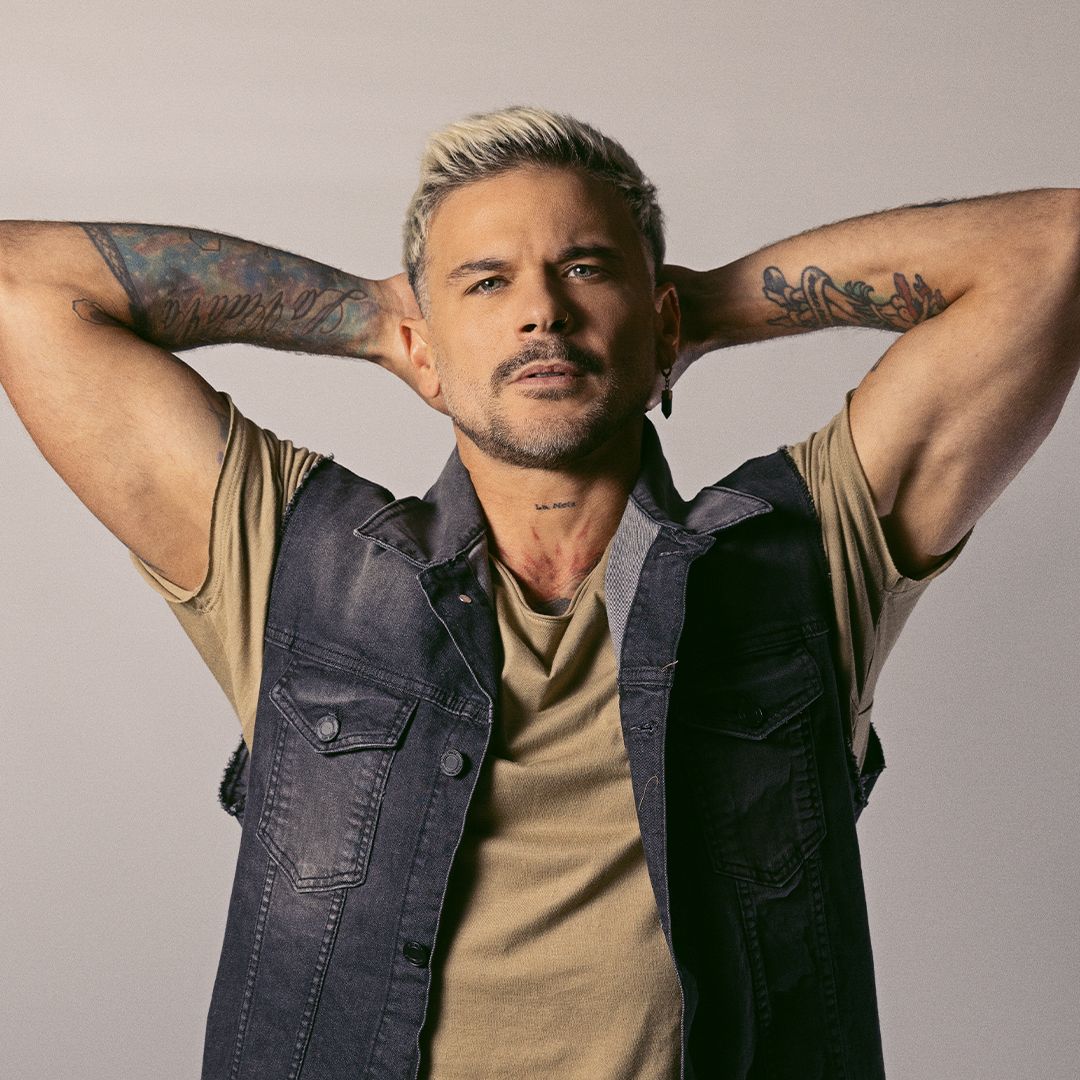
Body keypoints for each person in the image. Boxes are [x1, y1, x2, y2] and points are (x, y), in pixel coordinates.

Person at [0, 105, 1076, 1080]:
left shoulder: (805, 550)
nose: (543, 314)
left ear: (658, 324)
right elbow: (25, 284)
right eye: (487, 282)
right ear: (423, 347)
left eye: (586, 270)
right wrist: (370, 317)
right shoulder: (295, 563)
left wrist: (700, 309)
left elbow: (1053, 248)